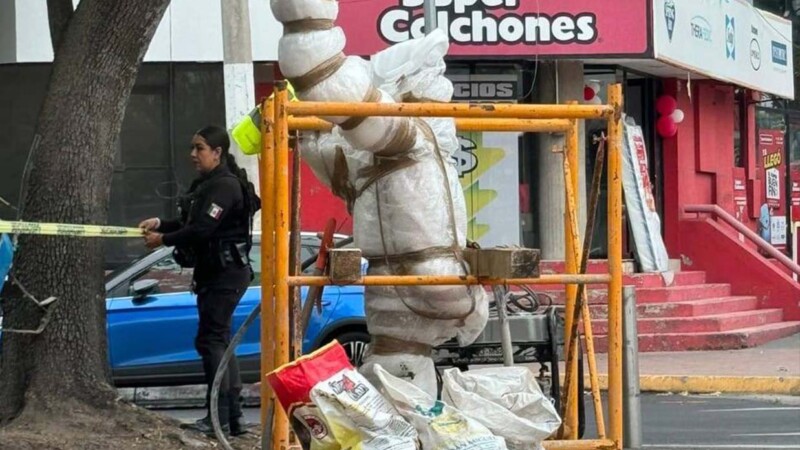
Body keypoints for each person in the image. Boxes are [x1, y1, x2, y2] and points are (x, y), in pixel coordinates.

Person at [139, 126, 259, 437]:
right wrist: (160, 223)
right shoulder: (209, 184)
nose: (193, 154)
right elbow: (189, 222)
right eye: (193, 147)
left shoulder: (225, 187)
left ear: (217, 152)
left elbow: (203, 228)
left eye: (200, 148)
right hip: (216, 273)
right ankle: (232, 419)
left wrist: (163, 238)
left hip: (225, 273)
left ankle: (217, 417)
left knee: (211, 341)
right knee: (217, 340)